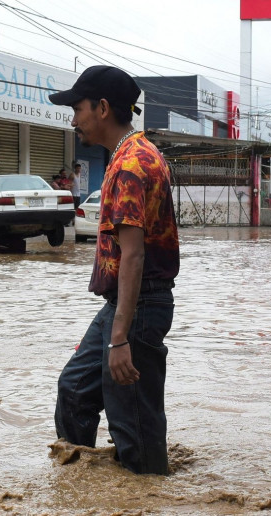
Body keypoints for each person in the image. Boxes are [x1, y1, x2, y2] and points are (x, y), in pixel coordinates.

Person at [48, 65, 178, 475]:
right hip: (123, 304)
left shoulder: (130, 165)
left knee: (133, 423)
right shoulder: (131, 154)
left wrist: (119, 338)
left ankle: (147, 492)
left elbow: (134, 255)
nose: (73, 119)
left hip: (137, 307)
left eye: (77, 109)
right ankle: (83, 488)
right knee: (75, 389)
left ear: (102, 108)